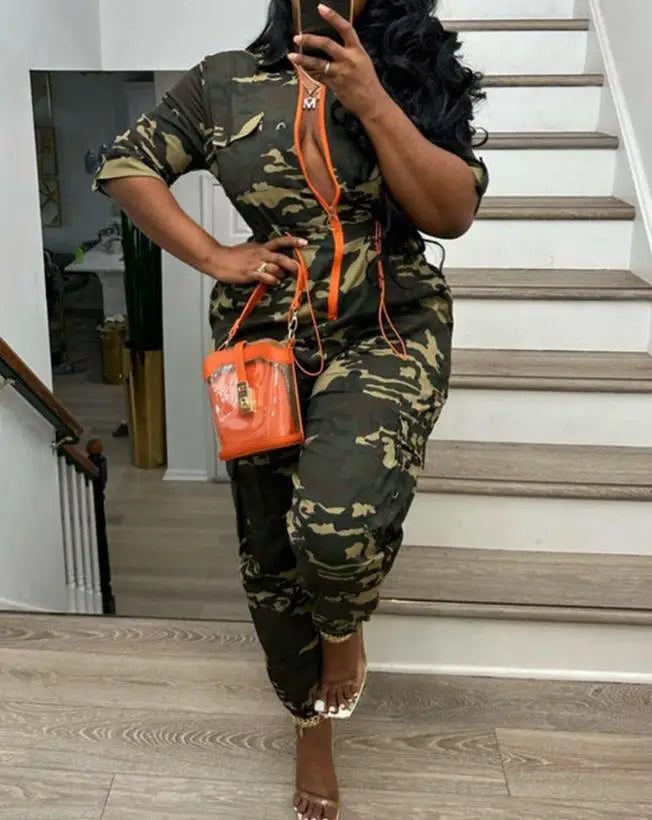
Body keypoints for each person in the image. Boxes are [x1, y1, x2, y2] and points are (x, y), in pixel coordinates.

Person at [94, 1, 488, 816]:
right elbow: (126, 165)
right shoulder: (224, 82)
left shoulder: (413, 69)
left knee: (334, 529)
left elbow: (450, 213)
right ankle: (311, 724)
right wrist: (214, 254)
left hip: (386, 325)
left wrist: (371, 97)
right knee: (272, 551)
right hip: (262, 339)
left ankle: (342, 630)